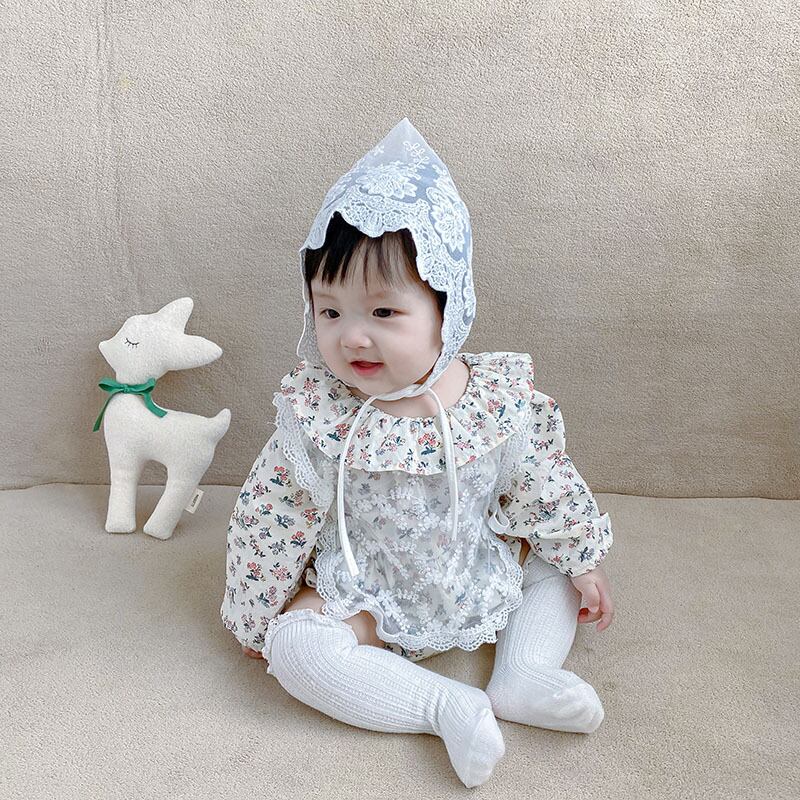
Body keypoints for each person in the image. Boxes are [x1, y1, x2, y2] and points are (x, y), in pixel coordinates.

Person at [220, 117, 615, 788]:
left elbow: (542, 482)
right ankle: (443, 706)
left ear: (447, 309)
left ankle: (524, 673)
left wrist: (582, 559)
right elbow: (272, 512)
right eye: (330, 311)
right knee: (296, 646)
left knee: (554, 563)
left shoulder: (491, 401)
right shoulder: (320, 411)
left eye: (383, 313)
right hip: (368, 590)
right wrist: (256, 612)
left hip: (479, 567)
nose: (352, 338)